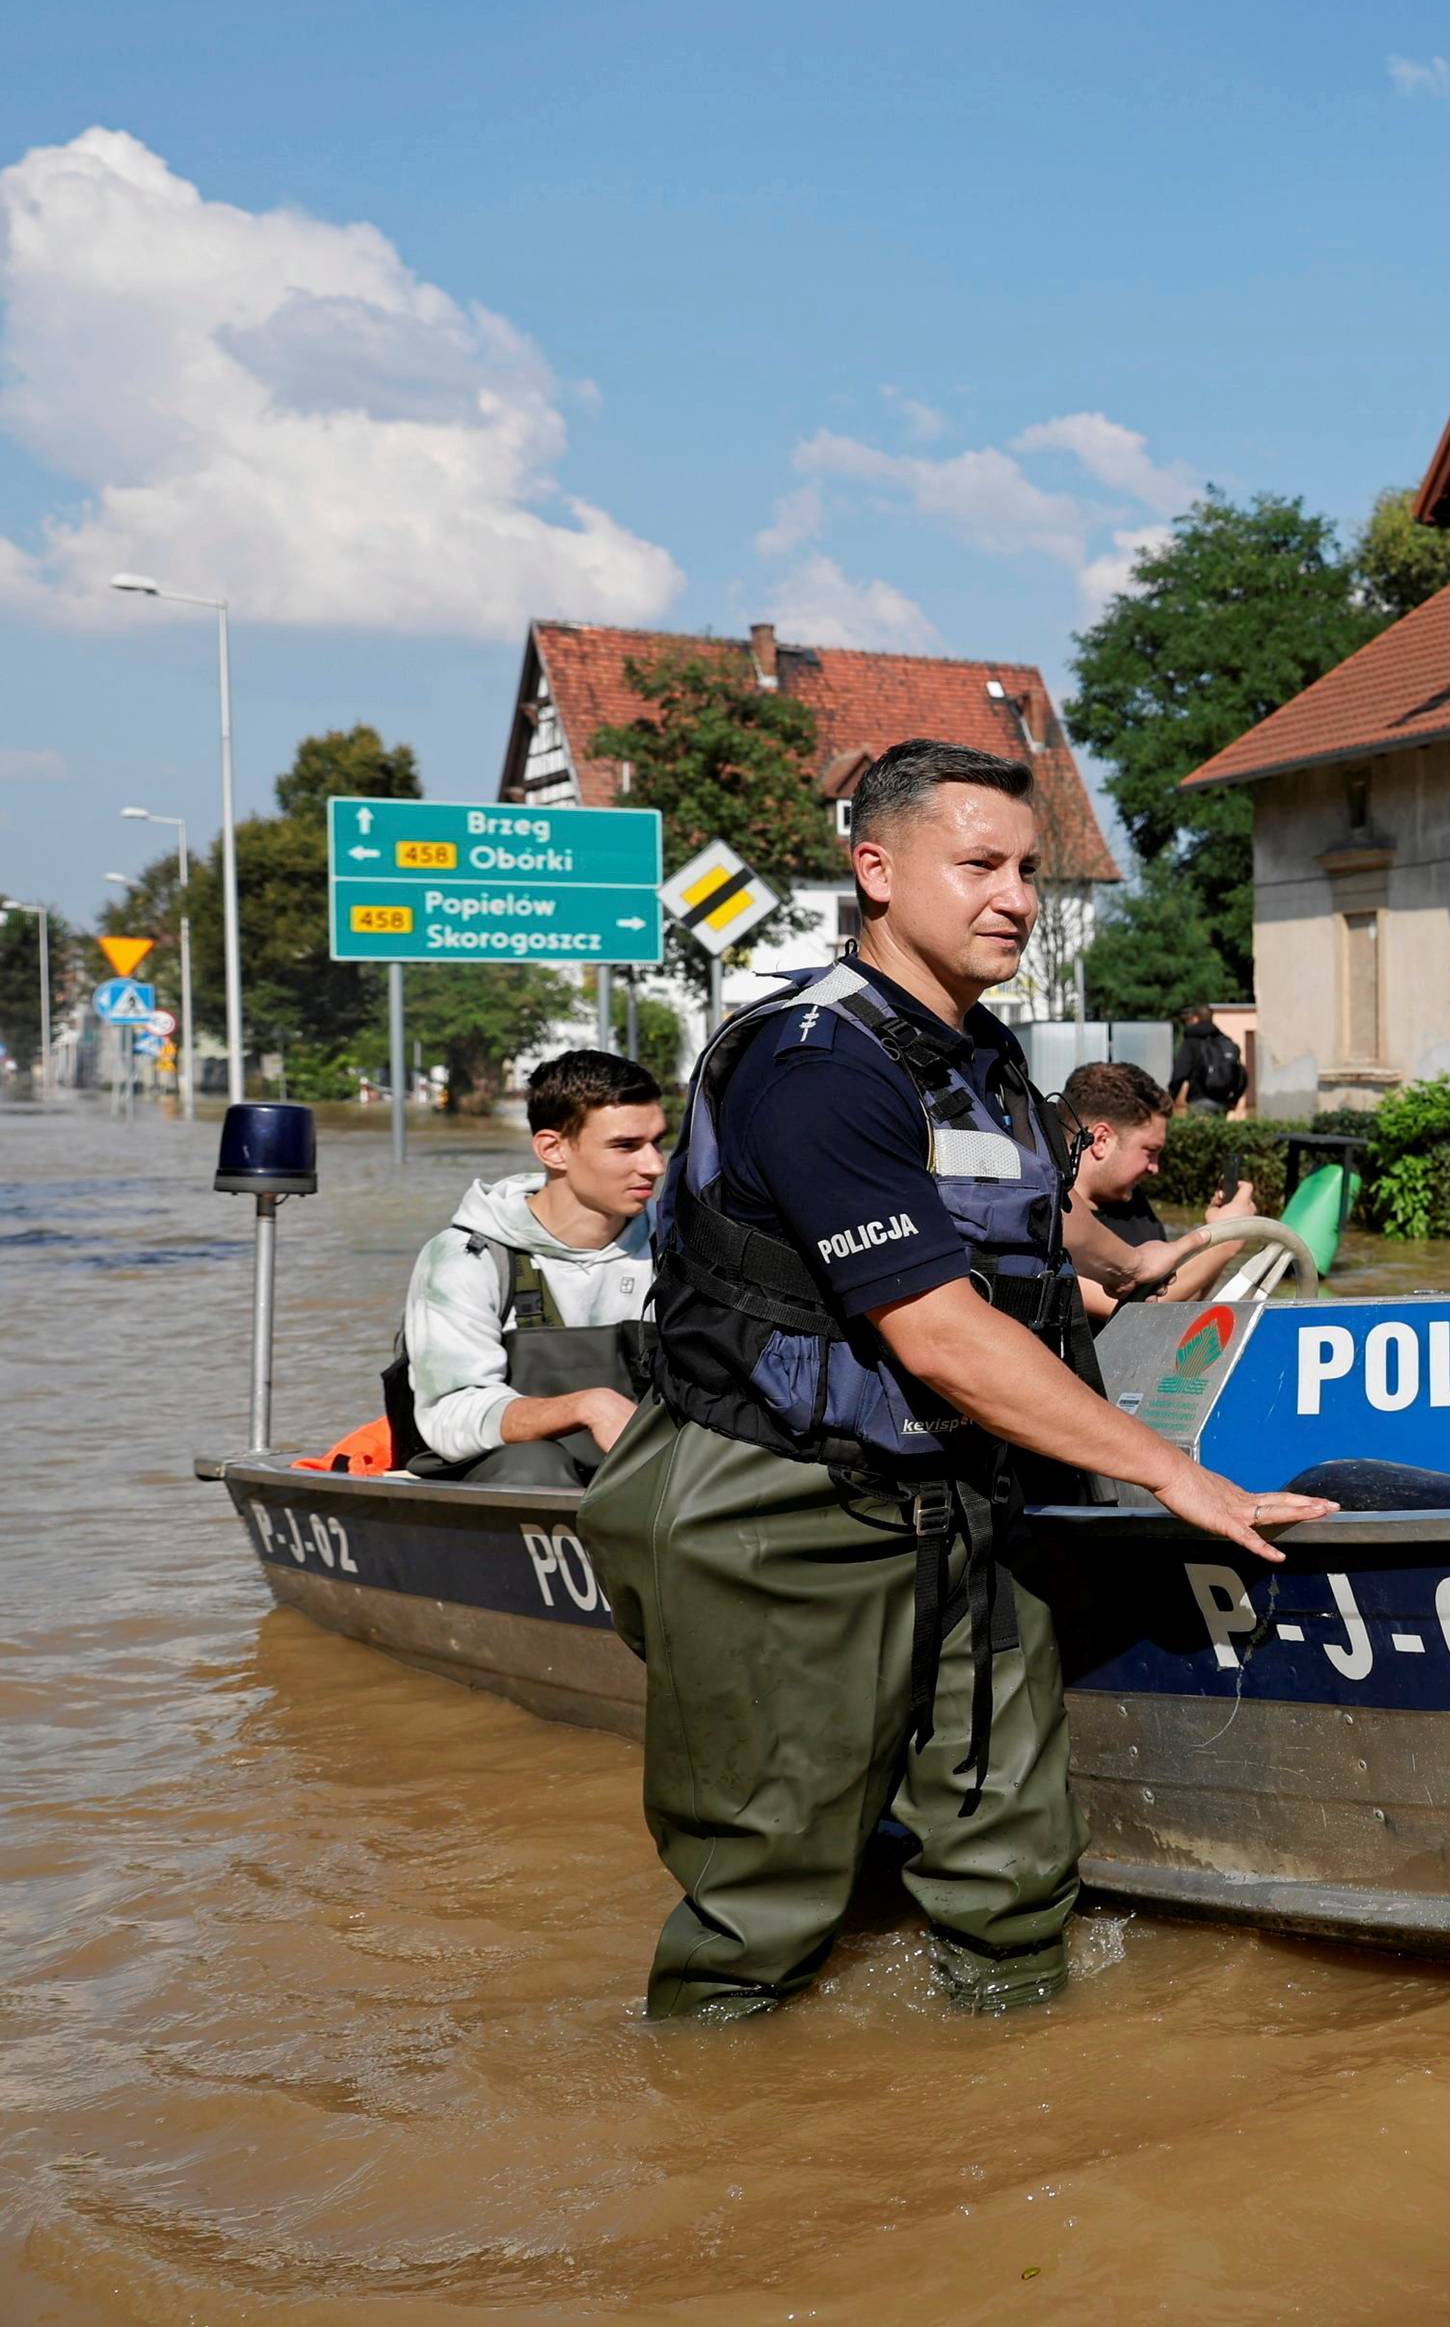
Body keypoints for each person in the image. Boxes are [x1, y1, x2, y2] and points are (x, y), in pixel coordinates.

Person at [575, 740, 1332, 2023]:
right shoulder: (813, 1065)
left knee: (1016, 1876)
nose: (1019, 898)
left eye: (1031, 869)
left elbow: (1039, 1231)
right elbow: (935, 1329)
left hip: (970, 1506)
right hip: (783, 1509)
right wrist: (1173, 1474)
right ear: (875, 869)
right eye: (979, 863)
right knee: (759, 1903)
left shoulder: (980, 1056)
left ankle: (1012, 2124)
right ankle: (721, 2158)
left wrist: (1173, 1262)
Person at [386, 1048, 664, 1487]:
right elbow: (449, 1417)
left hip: (642, 1467)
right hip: (514, 1477)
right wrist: (586, 1407)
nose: (654, 1166)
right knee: (534, 1466)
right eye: (625, 1146)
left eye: (657, 1142)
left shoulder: (678, 1254)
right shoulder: (466, 1260)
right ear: (552, 1149)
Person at [1056, 1057, 1259, 1315]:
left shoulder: (1133, 1207)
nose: (1155, 1168)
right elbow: (1132, 1310)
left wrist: (1215, 1241)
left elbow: (1178, 1304)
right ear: (1101, 1140)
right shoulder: (1048, 1219)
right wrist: (1225, 1239)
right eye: (1150, 1151)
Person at [1170, 1004, 1248, 1116]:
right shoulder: (1225, 1041)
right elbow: (1241, 1074)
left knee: (1199, 1133)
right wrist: (1234, 1099)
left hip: (1198, 1100)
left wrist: (1171, 1096)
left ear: (1195, 1018)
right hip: (1222, 1102)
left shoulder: (1192, 1041)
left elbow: (1180, 1072)